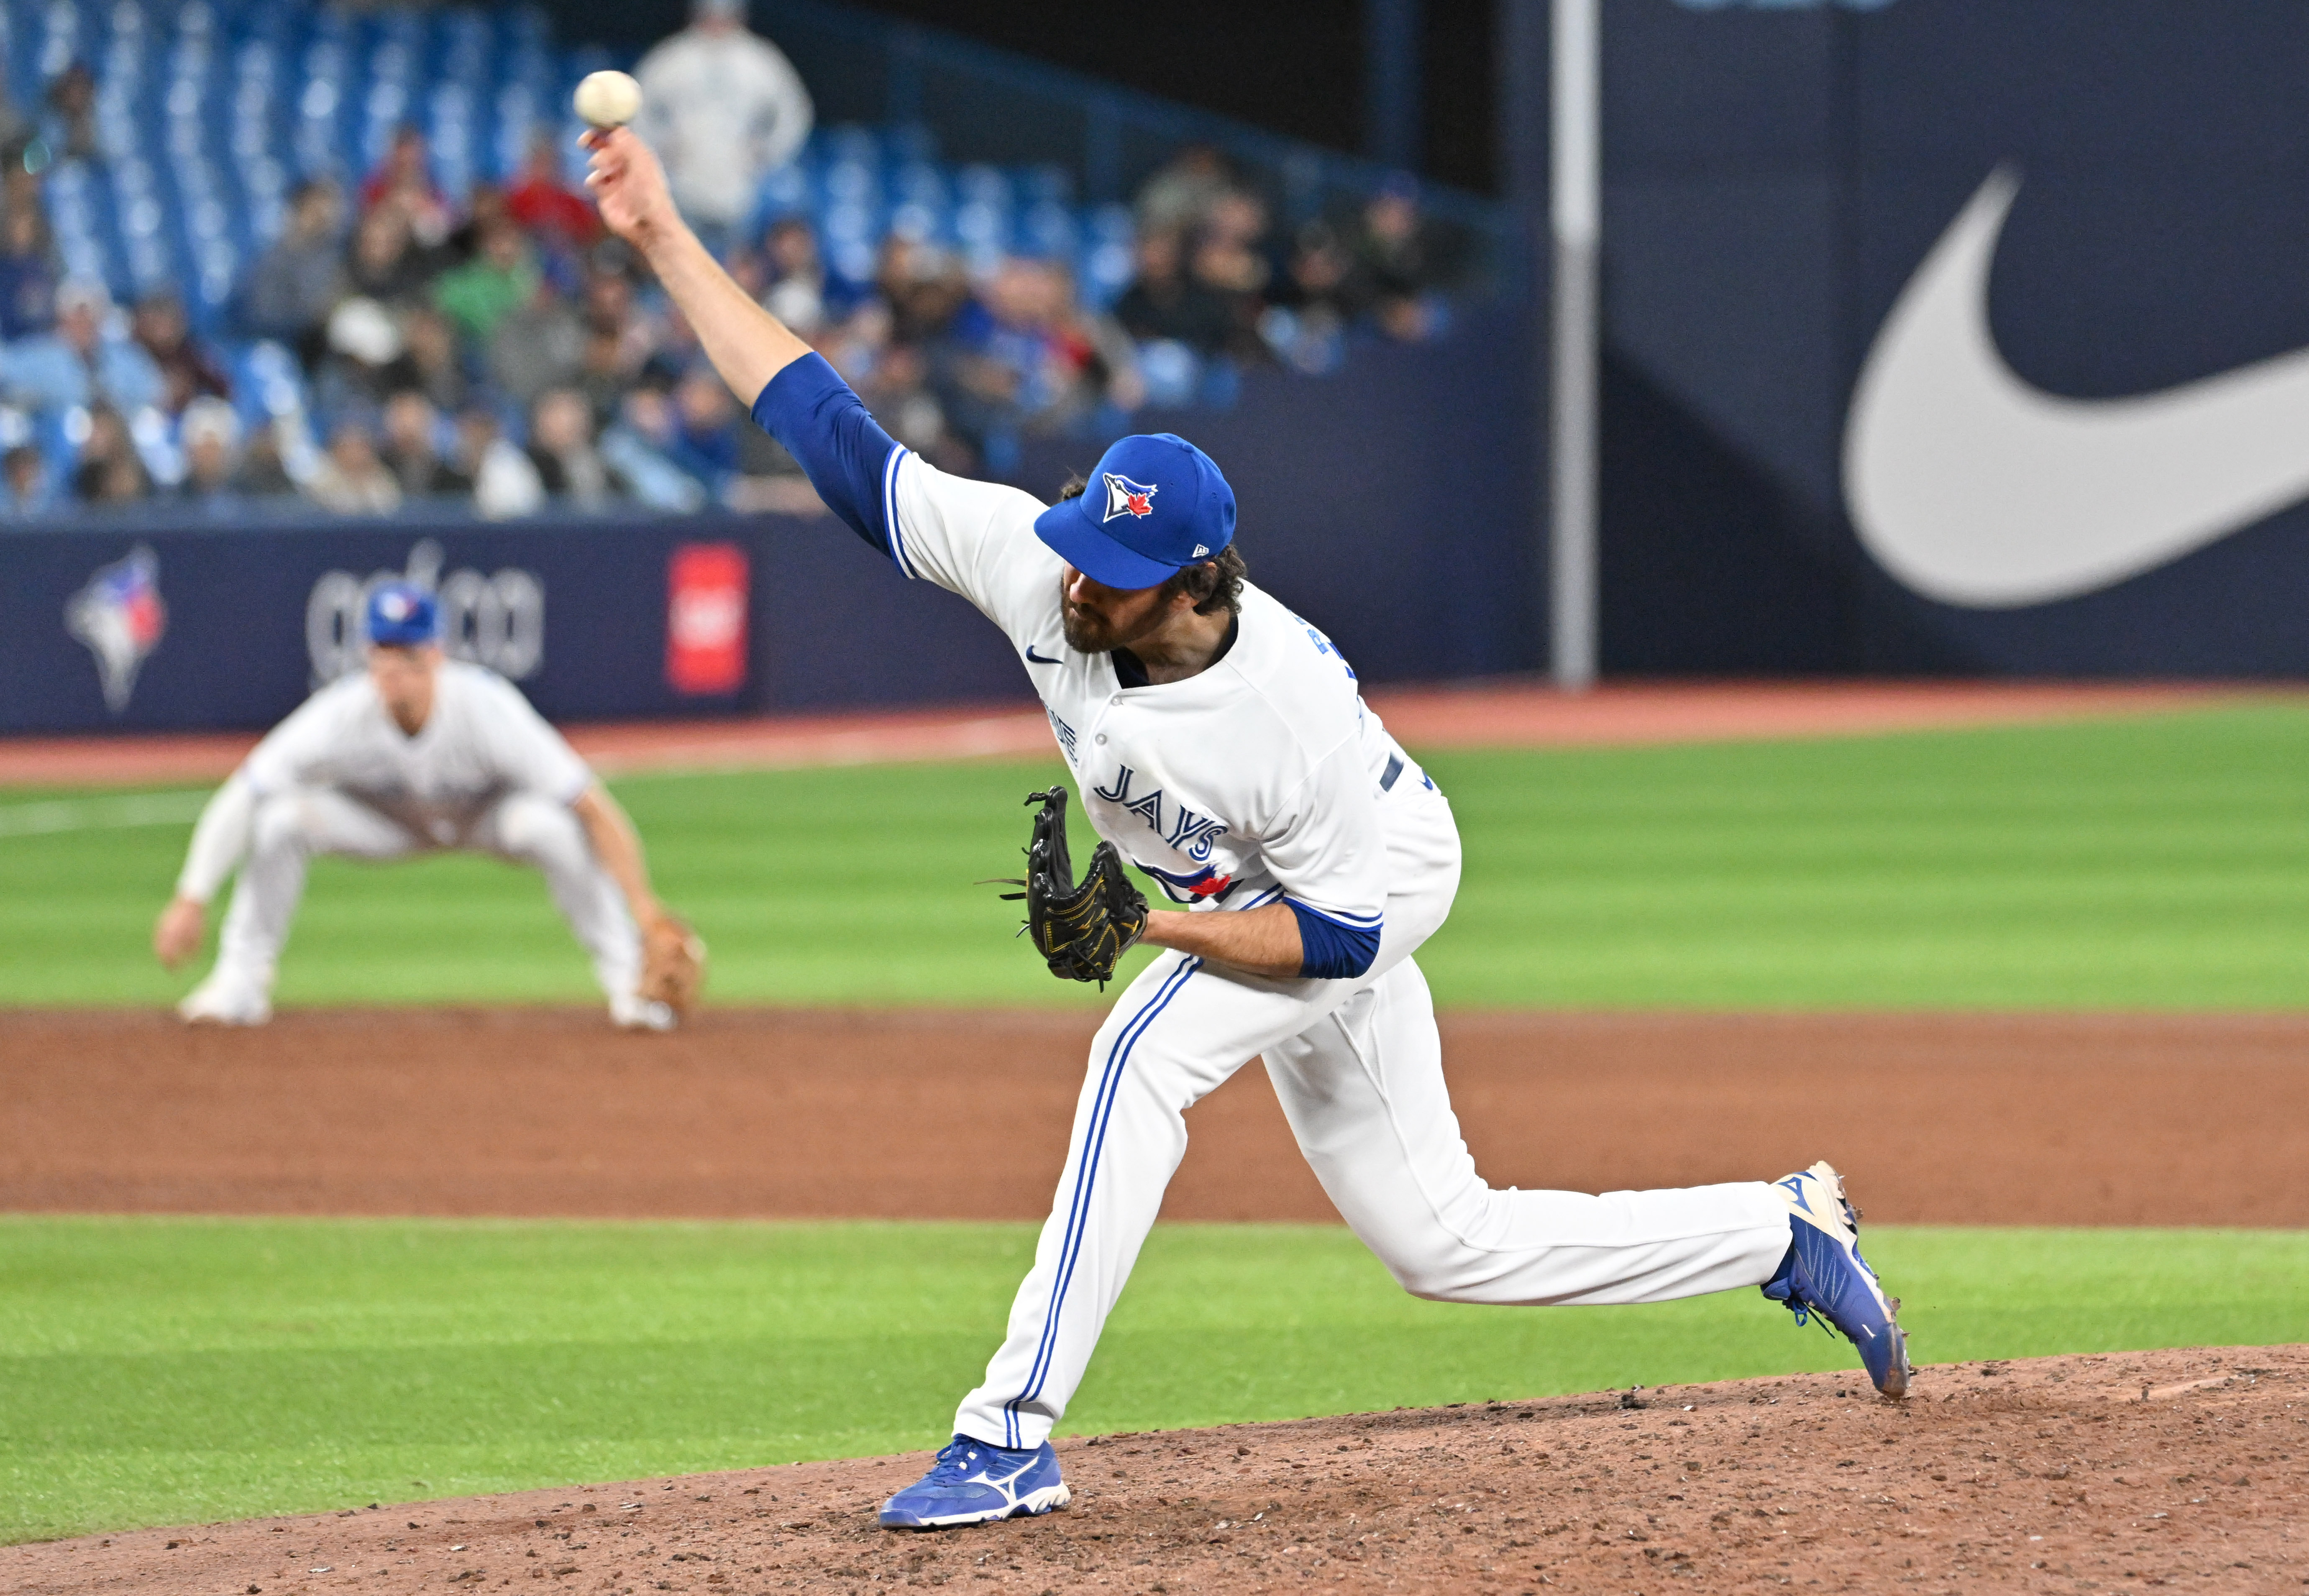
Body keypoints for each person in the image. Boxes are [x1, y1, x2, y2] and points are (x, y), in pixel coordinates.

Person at [581, 125, 1914, 1530]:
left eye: (1123, 574)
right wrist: (664, 234)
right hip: (1258, 890)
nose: (1084, 587)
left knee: (1134, 1058)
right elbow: (828, 433)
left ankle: (1008, 1432)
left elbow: (1336, 939)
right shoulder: (1048, 568)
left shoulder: (1283, 713)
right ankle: (1782, 1226)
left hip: (1372, 884)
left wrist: (1145, 922)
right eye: (1088, 548)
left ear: (1202, 582)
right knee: (1443, 1240)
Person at [156, 583, 684, 1031]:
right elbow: (247, 789)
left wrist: (648, 911)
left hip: (485, 819)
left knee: (552, 829)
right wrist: (192, 896)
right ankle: (240, 984)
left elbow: (590, 805)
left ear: (435, 655)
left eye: (405, 654)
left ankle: (627, 984)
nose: (392, 669)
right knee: (280, 821)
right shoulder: (342, 713)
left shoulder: (487, 706)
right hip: (384, 824)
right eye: (382, 653)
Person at [632, 0, 813, 255]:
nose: (717, 23)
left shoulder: (759, 58)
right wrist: (659, 149)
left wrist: (765, 153)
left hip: (739, 191)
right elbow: (637, 102)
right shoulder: (674, 56)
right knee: (682, 264)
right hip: (685, 186)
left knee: (734, 272)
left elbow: (795, 113)